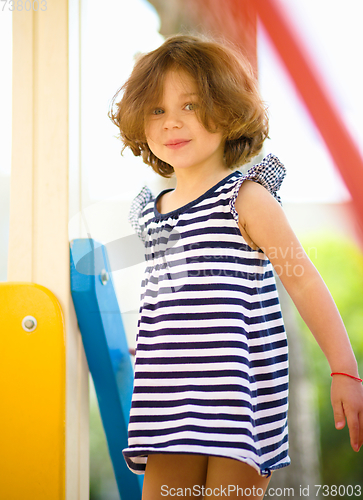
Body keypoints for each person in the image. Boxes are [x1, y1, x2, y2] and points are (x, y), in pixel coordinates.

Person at [109, 34, 363, 499]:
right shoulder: (151, 210)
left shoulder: (245, 198)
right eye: (157, 110)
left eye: (189, 105)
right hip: (169, 402)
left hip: (238, 402)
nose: (172, 123)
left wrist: (344, 369)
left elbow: (303, 282)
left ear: (226, 110)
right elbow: (166, 296)